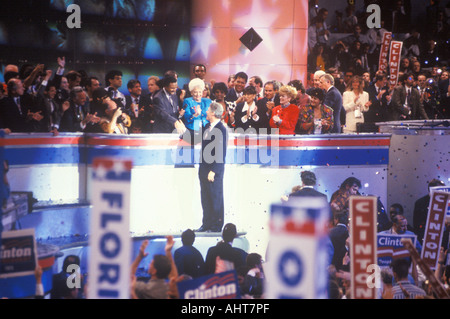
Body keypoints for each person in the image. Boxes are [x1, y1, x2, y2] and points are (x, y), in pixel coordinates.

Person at [196, 102, 228, 233]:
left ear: (214, 113)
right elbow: (195, 138)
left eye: (208, 110)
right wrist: (182, 132)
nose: (207, 112)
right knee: (205, 197)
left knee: (215, 197)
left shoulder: (221, 129)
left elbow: (221, 152)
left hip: (213, 170)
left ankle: (216, 226)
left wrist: (213, 171)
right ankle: (206, 224)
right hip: (203, 168)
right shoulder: (207, 127)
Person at [413, 178, 446, 245]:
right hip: (425, 237)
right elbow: (416, 224)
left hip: (442, 237)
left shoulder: (446, 202)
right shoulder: (420, 203)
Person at [182, 78, 211, 144]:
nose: (198, 94)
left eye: (200, 92)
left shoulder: (208, 101)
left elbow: (211, 115)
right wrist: (195, 115)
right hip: (193, 130)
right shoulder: (187, 101)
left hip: (206, 129)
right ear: (191, 92)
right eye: (195, 92)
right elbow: (186, 118)